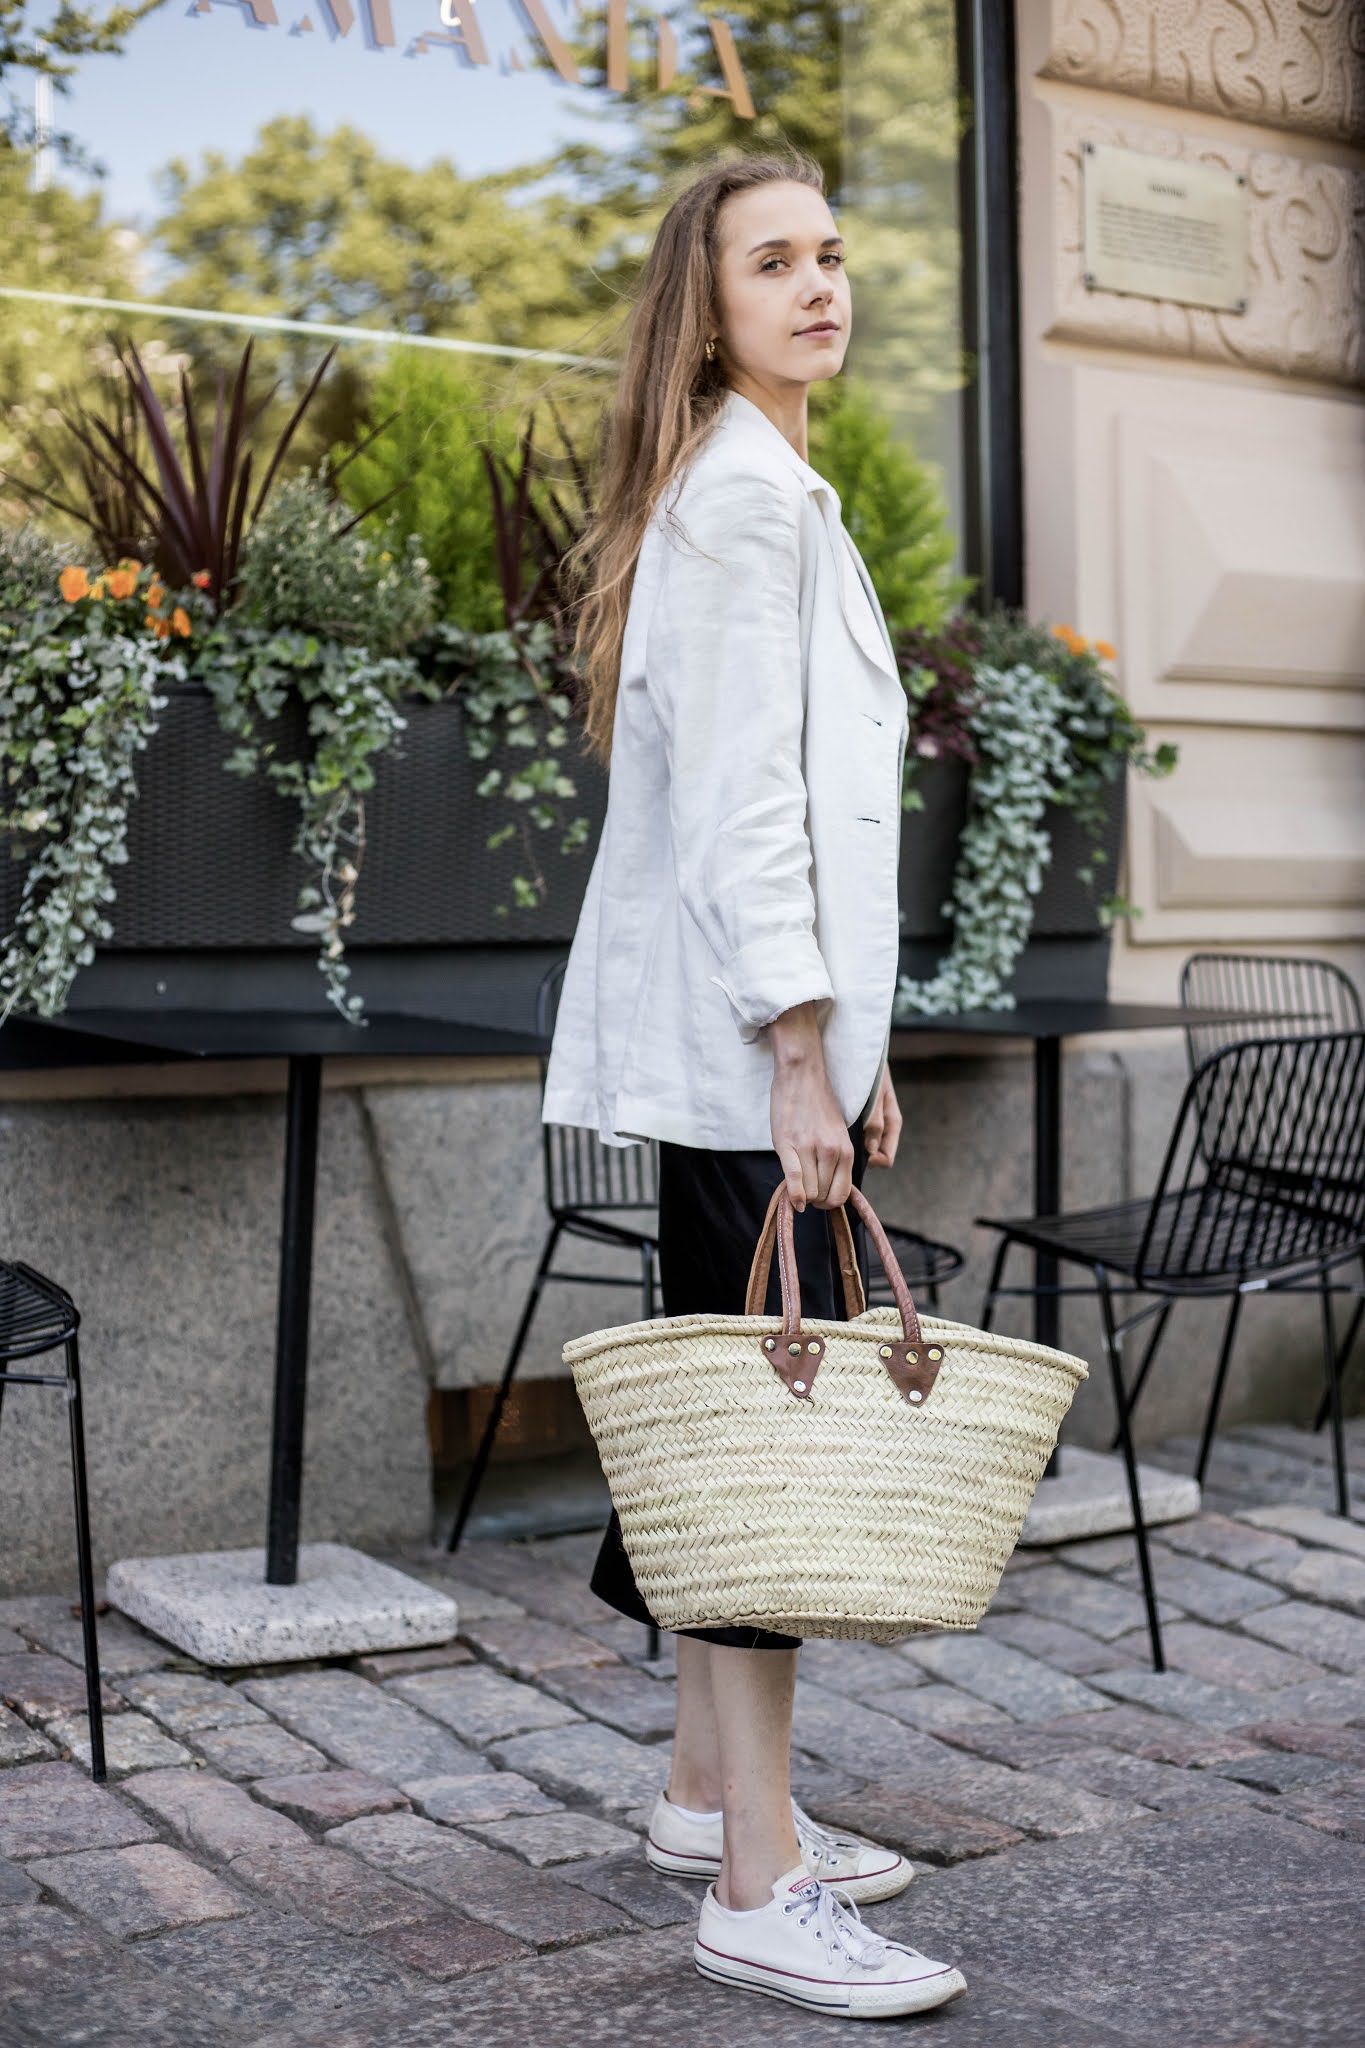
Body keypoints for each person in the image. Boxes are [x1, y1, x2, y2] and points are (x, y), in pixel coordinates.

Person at [543, 152, 967, 2020]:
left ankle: (708, 1790)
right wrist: (802, 1046)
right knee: (764, 1457)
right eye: (772, 263)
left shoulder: (762, 485)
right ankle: (757, 1881)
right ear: (703, 304)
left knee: (734, 1417)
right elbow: (741, 809)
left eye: (830, 257)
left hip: (765, 1048)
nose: (819, 287)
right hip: (738, 1051)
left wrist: (841, 1054)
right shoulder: (741, 502)